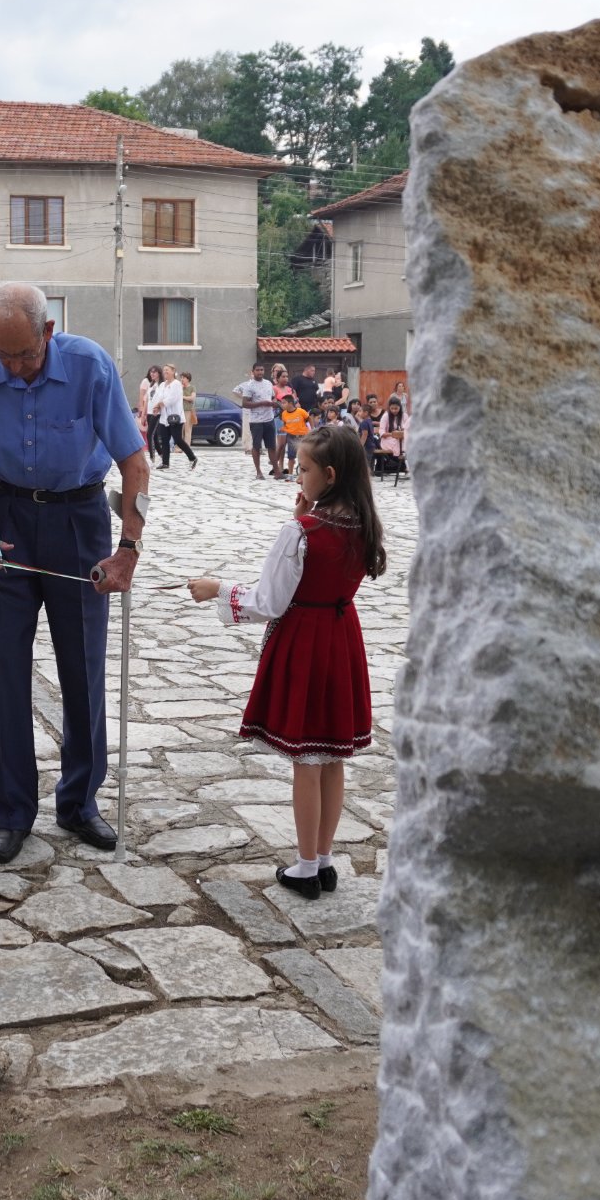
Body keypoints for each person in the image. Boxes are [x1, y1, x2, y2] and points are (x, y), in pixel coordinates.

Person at [0, 282, 147, 863]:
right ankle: (11, 811)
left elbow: (134, 461)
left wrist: (129, 548)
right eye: (4, 355)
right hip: (5, 517)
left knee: (82, 665)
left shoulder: (89, 365)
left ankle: (80, 802)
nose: (15, 368)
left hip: (78, 520)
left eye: (25, 355)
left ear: (48, 332)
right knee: (7, 666)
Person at [186, 424, 384, 899]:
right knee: (332, 758)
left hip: (307, 643)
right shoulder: (362, 522)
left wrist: (218, 589)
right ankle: (326, 859)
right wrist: (307, 513)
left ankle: (305, 866)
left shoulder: (301, 533)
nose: (298, 475)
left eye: (305, 469)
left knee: (308, 762)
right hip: (341, 639)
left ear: (329, 474)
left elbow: (269, 601)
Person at [233, 362, 281, 481]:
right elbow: (245, 403)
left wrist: (274, 403)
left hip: (269, 418)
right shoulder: (249, 386)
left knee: (272, 446)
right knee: (257, 446)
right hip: (256, 421)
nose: (260, 372)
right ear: (253, 371)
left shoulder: (268, 383)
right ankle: (259, 472)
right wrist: (261, 403)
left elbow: (273, 397)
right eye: (258, 370)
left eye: (262, 370)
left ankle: (277, 472)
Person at [149, 367, 194, 470]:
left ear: (173, 372)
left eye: (167, 370)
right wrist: (156, 407)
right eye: (164, 370)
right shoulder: (162, 385)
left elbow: (172, 399)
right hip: (164, 418)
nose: (165, 372)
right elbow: (158, 397)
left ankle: (192, 458)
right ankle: (165, 463)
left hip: (175, 417)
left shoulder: (177, 384)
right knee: (164, 440)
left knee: (178, 439)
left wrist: (160, 404)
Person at [280, 393, 309, 467]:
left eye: (284, 403)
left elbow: (309, 418)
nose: (282, 405)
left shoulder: (300, 411)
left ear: (290, 403)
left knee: (303, 454)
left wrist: (312, 428)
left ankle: (302, 472)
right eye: (281, 403)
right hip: (291, 436)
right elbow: (285, 424)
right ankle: (290, 474)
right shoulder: (284, 414)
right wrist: (284, 429)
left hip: (302, 436)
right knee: (291, 456)